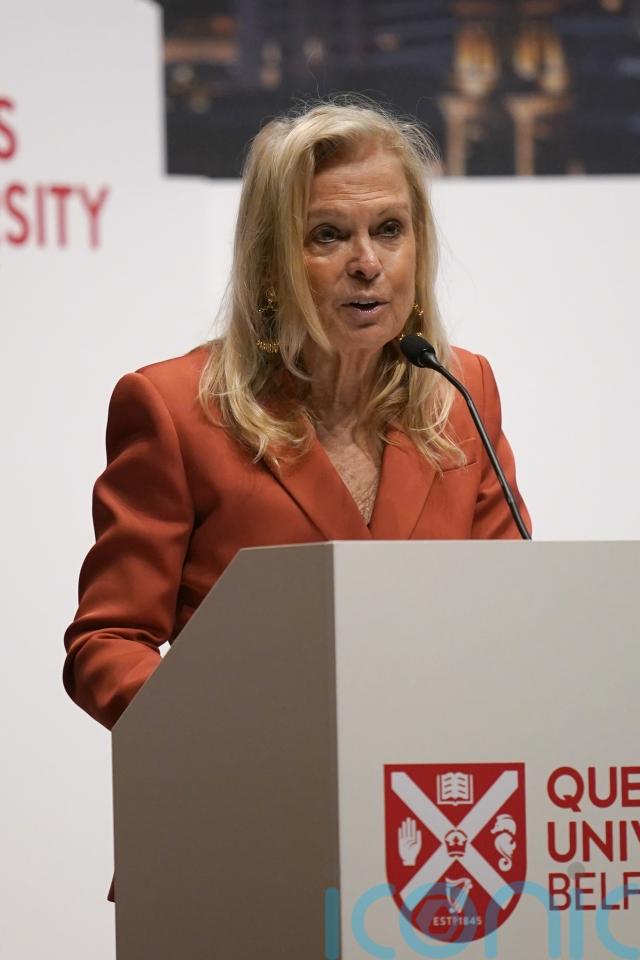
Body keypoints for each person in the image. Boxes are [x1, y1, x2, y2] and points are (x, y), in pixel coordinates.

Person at [63, 97, 530, 761]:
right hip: (251, 797)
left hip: (431, 795)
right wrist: (225, 739)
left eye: (389, 229)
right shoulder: (176, 409)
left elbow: (512, 614)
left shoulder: (460, 393)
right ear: (270, 263)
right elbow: (108, 644)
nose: (366, 262)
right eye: (328, 236)